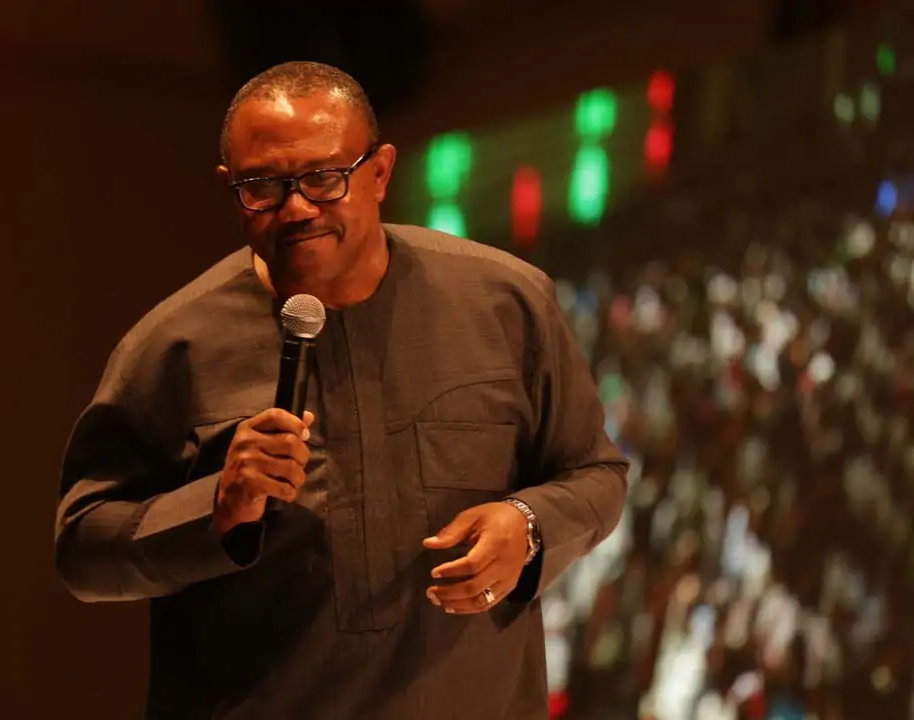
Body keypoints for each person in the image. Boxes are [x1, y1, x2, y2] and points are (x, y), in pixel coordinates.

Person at [55, 60, 629, 719]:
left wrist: (527, 525)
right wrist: (214, 508)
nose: (297, 208)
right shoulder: (173, 347)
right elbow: (83, 549)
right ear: (229, 190)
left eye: (324, 178)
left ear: (379, 173)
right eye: (262, 186)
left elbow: (596, 475)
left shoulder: (506, 304)